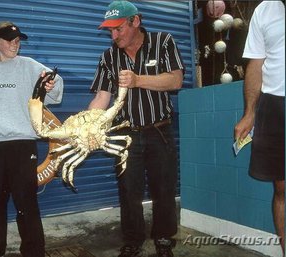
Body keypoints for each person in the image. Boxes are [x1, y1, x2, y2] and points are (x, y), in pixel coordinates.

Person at [88, 1, 184, 257]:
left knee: (163, 187)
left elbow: (175, 79)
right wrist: (85, 125)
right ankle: (132, 241)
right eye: (110, 31)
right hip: (124, 134)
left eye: (118, 29)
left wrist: (138, 79)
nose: (114, 35)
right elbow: (101, 98)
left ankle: (163, 238)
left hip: (159, 130)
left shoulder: (163, 42)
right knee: (128, 189)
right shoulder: (109, 57)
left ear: (135, 22)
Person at [0, 21, 64, 257]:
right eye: (9, 39)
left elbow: (56, 93)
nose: (15, 43)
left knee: (26, 204)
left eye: (17, 40)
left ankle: (34, 252)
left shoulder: (28, 65)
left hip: (22, 145)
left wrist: (51, 83)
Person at [234, 1, 285, 255]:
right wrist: (249, 113)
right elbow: (255, 64)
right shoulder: (265, 9)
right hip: (275, 105)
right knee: (281, 187)